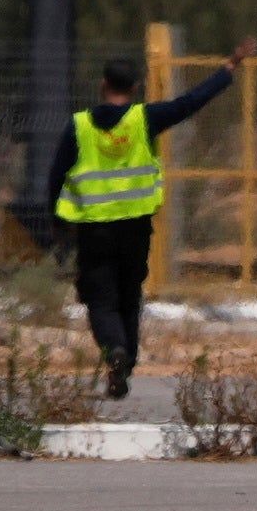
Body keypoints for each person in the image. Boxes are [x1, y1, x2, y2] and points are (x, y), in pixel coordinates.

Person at [26, 44, 233, 405]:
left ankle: (115, 350)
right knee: (128, 298)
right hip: (135, 229)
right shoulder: (144, 119)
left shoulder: (80, 126)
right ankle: (127, 361)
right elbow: (190, 102)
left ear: (103, 84)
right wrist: (228, 69)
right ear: (135, 88)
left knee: (100, 300)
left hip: (94, 230)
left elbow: (56, 176)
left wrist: (56, 223)